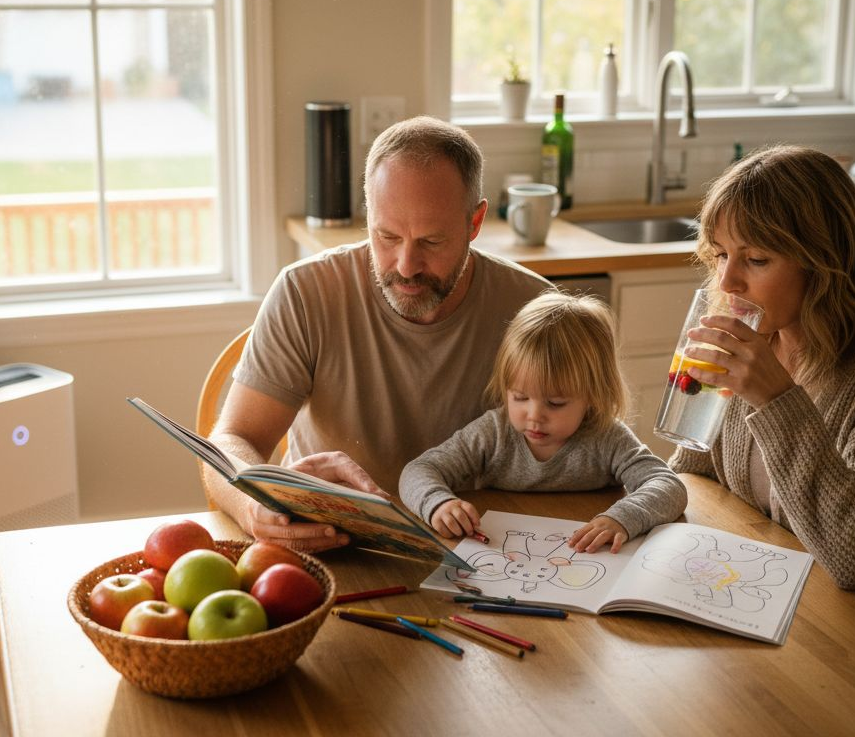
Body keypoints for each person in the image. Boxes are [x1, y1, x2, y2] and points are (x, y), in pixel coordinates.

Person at [206, 116, 550, 552]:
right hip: (334, 550)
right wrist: (253, 504)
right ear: (368, 212)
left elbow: (592, 449)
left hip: (483, 553)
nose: (406, 266)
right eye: (387, 236)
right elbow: (233, 438)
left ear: (475, 222)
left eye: (431, 242)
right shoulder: (306, 293)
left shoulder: (534, 311)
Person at [669, 144, 855, 645]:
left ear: (824, 262)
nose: (727, 279)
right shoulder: (756, 335)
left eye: (756, 259)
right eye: (720, 254)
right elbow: (693, 471)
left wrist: (777, 399)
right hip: (776, 606)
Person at [400, 291, 687, 553]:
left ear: (592, 395)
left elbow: (668, 486)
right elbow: (419, 470)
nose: (534, 415)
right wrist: (439, 503)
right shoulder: (493, 433)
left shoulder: (606, 435)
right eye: (520, 397)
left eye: (556, 403)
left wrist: (621, 518)